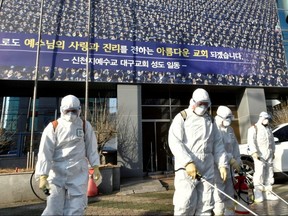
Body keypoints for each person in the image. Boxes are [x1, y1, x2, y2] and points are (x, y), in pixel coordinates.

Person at [35, 95, 101, 215]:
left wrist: (95, 166)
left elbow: (92, 148)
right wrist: (42, 175)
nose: (71, 114)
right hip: (56, 174)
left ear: (79, 110)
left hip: (78, 173)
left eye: (74, 111)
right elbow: (45, 152)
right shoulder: (53, 127)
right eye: (67, 111)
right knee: (53, 209)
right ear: (61, 110)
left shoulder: (85, 126)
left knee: (77, 209)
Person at [168, 88, 228, 215]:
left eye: (206, 104)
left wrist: (222, 164)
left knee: (206, 203)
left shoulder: (211, 121)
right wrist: (187, 162)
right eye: (201, 104)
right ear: (193, 102)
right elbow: (175, 141)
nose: (203, 107)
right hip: (187, 168)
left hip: (207, 166)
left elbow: (218, 145)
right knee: (185, 203)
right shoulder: (182, 117)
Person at [213, 106, 242, 216]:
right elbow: (217, 150)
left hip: (229, 167)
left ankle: (230, 212)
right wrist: (231, 159)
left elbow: (235, 146)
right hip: (217, 167)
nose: (229, 120)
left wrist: (238, 159)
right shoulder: (214, 128)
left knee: (230, 191)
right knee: (219, 193)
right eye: (227, 117)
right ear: (220, 117)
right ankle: (219, 213)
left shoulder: (230, 130)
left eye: (230, 117)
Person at [247, 111, 278, 202]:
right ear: (262, 118)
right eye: (266, 119)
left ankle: (268, 193)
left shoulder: (269, 129)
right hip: (259, 155)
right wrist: (254, 152)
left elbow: (272, 141)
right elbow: (251, 141)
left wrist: (273, 152)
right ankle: (258, 194)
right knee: (259, 173)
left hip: (269, 154)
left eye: (268, 119)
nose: (267, 121)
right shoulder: (254, 128)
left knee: (269, 173)